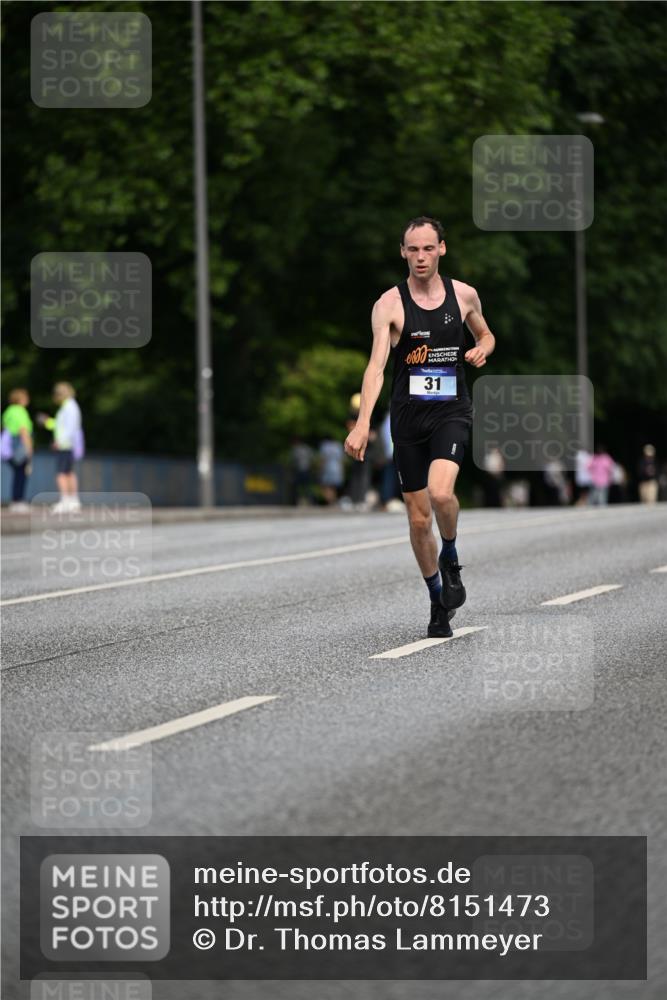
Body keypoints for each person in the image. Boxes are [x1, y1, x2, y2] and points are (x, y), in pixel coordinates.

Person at [345, 216, 495, 638]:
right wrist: (362, 423)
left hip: (451, 411)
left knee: (441, 493)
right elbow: (376, 368)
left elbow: (486, 334)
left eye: (428, 248)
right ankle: (437, 600)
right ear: (403, 253)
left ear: (442, 249)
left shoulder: (463, 295)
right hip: (408, 418)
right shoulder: (388, 304)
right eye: (413, 249)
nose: (421, 257)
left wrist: (482, 348)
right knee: (416, 519)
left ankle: (451, 554)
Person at [37, 382, 83, 513]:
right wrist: (48, 422)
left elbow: (70, 427)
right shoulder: (68, 406)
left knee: (61, 473)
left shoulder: (69, 407)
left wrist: (59, 441)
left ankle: (65, 500)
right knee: (68, 472)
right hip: (68, 444)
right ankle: (73, 501)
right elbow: (60, 425)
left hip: (65, 445)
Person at [1, 388, 34, 512]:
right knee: (21, 474)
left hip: (8, 448)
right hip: (19, 446)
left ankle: (15, 500)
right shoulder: (20, 411)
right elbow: (23, 430)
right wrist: (29, 448)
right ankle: (18, 501)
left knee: (17, 473)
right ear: (20, 399)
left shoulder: (8, 412)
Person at [318, 436, 344, 505]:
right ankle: (332, 501)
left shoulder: (325, 446)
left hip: (327, 468)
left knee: (326, 486)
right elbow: (341, 460)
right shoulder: (338, 446)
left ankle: (329, 501)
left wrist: (320, 469)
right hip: (337, 469)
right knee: (334, 487)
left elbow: (323, 459)